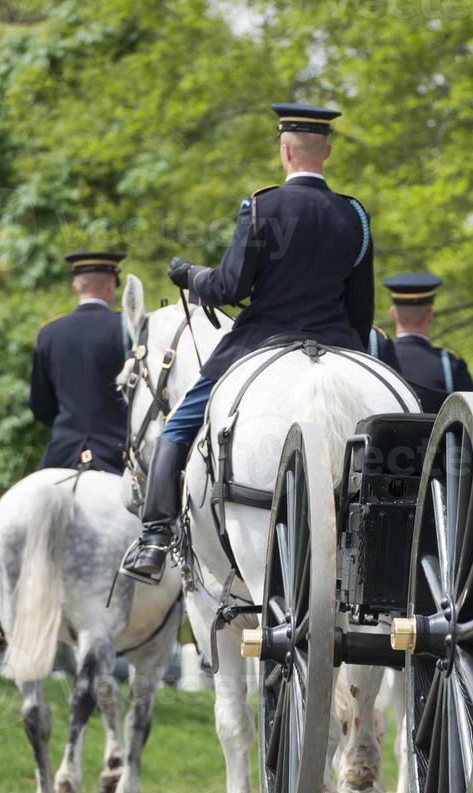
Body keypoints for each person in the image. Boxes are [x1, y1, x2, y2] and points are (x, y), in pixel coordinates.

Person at [121, 102, 375, 584]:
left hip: (262, 341)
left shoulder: (262, 206)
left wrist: (189, 275)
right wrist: (356, 355)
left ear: (285, 151)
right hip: (340, 344)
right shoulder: (355, 216)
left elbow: (228, 289)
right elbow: (362, 306)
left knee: (177, 427)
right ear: (329, 152)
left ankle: (154, 538)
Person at [29, 250, 131, 474]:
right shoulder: (129, 326)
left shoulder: (49, 332)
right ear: (111, 284)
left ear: (76, 286)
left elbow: (41, 406)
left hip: (63, 453)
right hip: (118, 453)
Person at [386, 272, 473, 412]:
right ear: (430, 314)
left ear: (393, 314)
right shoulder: (450, 366)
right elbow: (472, 419)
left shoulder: (377, 360)